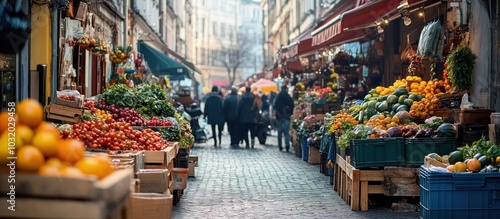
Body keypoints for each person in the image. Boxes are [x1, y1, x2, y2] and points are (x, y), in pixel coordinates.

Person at [273, 85, 295, 152]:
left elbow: (274, 105)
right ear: (286, 89)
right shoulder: (288, 96)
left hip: (279, 116)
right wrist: (290, 112)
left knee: (279, 132)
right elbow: (292, 104)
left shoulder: (278, 96)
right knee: (286, 132)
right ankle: (287, 146)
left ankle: (280, 146)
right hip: (286, 116)